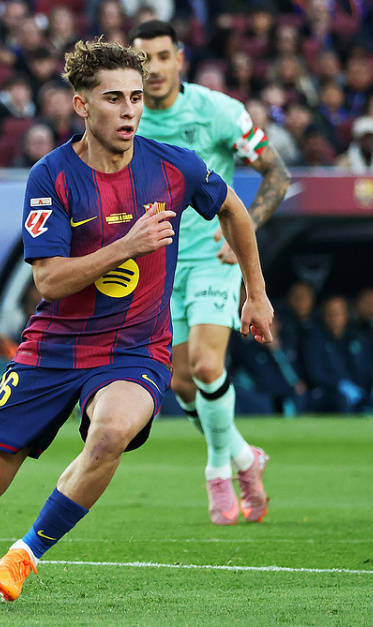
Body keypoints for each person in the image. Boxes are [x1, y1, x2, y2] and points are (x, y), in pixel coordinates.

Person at [0, 38, 275, 606]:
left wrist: (256, 294)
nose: (129, 110)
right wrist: (128, 245)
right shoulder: (51, 176)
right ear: (82, 105)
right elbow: (49, 281)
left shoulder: (174, 166)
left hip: (135, 350)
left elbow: (233, 209)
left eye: (136, 98)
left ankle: (26, 554)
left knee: (110, 433)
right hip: (52, 349)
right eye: (114, 98)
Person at [130, 21, 291, 525]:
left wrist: (243, 228)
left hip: (212, 261)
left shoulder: (218, 111)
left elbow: (276, 173)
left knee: (205, 365)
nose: (154, 69)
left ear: (179, 57)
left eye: (163, 56)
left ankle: (218, 471)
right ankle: (245, 456)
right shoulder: (127, 116)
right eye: (144, 59)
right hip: (158, 265)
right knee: (180, 383)